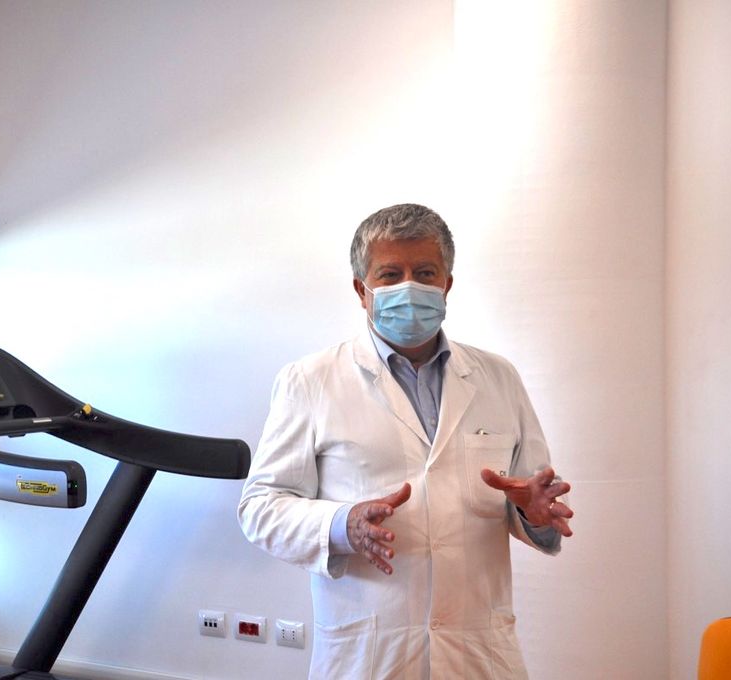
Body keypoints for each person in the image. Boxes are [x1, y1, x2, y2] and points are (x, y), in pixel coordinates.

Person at [237, 203, 574, 679]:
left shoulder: (499, 377)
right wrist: (342, 524)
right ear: (362, 290)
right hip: (369, 655)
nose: (409, 287)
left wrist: (534, 514)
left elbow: (536, 497)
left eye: (425, 273)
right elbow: (260, 507)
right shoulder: (309, 381)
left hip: (479, 653)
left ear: (447, 284)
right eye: (391, 274)